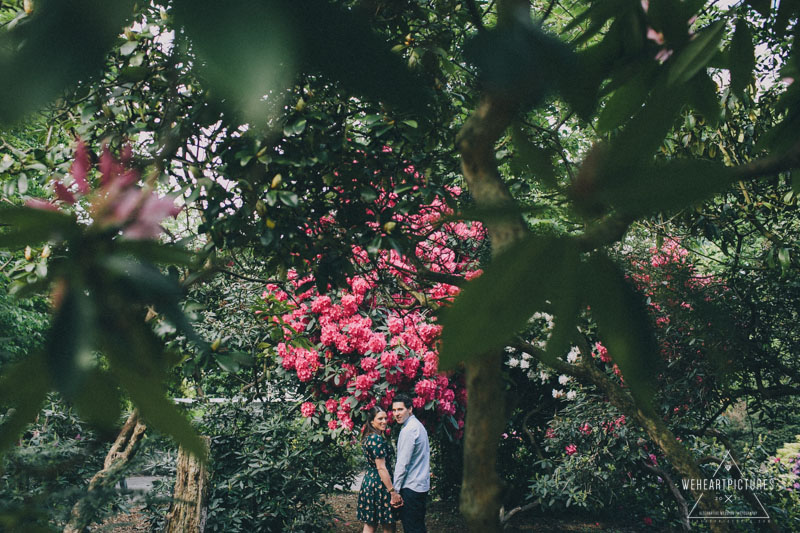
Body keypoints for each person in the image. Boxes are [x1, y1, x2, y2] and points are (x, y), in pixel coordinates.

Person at [391, 393, 430, 533]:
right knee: (418, 527)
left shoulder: (409, 430)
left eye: (400, 409)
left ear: (410, 409)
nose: (396, 413)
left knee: (413, 529)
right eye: (394, 410)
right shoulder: (417, 426)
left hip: (411, 488)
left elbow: (402, 464)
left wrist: (395, 491)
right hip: (420, 487)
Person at [357, 406, 398, 533]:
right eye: (380, 418)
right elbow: (381, 467)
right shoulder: (376, 439)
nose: (384, 421)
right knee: (388, 524)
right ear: (371, 421)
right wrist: (392, 491)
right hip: (380, 483)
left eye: (385, 418)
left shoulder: (369, 437)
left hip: (370, 482)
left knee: (371, 523)